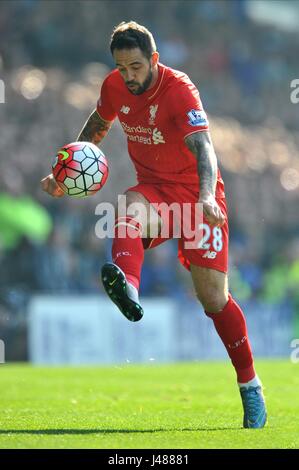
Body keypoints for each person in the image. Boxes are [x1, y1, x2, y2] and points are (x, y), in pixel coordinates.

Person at [41, 21, 267, 428]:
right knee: (128, 205)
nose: (128, 76)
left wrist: (203, 197)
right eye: (121, 67)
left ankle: (251, 387)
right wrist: (65, 171)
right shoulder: (113, 86)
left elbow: (205, 149)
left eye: (136, 67)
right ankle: (128, 286)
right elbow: (98, 122)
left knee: (213, 299)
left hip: (199, 195)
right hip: (156, 191)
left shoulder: (180, 90)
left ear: (155, 61)